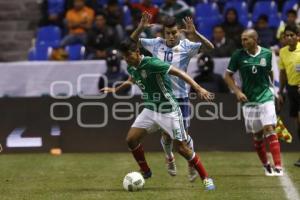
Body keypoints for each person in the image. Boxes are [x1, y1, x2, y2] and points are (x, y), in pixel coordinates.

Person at [100, 38, 215, 190]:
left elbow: (178, 72)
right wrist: (116, 89)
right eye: (124, 56)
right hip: (150, 109)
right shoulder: (132, 66)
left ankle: (206, 178)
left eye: (129, 55)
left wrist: (198, 88)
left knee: (182, 148)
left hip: (169, 110)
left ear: (138, 52)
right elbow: (132, 79)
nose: (127, 59)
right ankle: (146, 171)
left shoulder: (153, 64)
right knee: (131, 139)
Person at [130, 12, 214, 182]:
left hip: (180, 97)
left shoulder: (186, 46)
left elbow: (210, 47)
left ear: (179, 32)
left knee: (182, 138)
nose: (171, 36)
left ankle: (191, 164)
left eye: (174, 32)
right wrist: (140, 28)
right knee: (166, 136)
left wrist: (195, 33)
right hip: (161, 97)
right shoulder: (156, 44)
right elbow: (131, 43)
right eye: (168, 33)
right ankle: (169, 158)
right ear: (163, 33)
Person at [224, 29, 283, 176]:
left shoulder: (267, 54)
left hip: (265, 96)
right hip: (249, 99)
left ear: (255, 39)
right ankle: (266, 164)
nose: (243, 42)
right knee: (257, 135)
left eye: (246, 39)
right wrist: (237, 92)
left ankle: (278, 166)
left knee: (269, 128)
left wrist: (274, 91)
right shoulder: (238, 55)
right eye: (242, 39)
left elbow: (270, 72)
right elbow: (227, 76)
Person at [278, 25, 300, 167]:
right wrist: (280, 91)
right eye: (287, 35)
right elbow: (283, 73)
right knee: (298, 126)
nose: (290, 38)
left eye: (292, 35)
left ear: (298, 36)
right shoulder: (283, 52)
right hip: (292, 90)